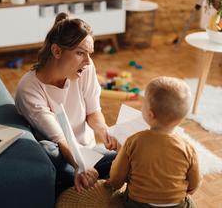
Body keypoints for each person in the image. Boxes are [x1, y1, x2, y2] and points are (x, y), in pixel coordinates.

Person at [15, 12, 118, 193]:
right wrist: (80, 164)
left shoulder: (85, 68)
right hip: (63, 155)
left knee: (132, 155)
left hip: (89, 151)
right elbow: (60, 139)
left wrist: (104, 131)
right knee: (47, 149)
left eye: (89, 54)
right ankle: (83, 177)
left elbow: (93, 112)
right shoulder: (30, 89)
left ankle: (86, 178)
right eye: (80, 53)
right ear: (56, 51)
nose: (87, 61)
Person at [108, 76, 202, 208]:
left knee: (115, 201)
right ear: (182, 118)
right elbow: (194, 184)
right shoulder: (188, 148)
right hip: (176, 205)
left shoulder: (133, 141)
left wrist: (113, 181)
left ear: (150, 114)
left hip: (137, 204)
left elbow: (116, 179)